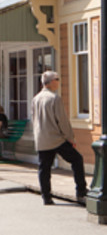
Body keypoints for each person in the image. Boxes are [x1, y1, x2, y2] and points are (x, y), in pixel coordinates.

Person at [32, 71, 87, 205]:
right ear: (50, 82)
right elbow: (62, 120)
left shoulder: (36, 98)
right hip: (56, 138)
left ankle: (46, 197)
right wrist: (70, 138)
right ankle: (81, 191)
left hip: (42, 138)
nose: (59, 81)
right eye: (57, 79)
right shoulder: (54, 98)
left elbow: (33, 119)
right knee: (77, 159)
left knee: (44, 168)